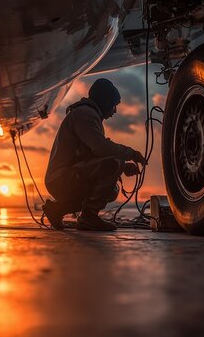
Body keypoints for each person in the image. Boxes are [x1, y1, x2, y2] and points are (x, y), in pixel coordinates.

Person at [43, 78, 146, 231]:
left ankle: (58, 209)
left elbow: (90, 155)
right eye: (113, 105)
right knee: (114, 163)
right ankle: (89, 217)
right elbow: (100, 148)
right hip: (61, 179)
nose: (115, 111)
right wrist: (129, 154)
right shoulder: (85, 114)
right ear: (104, 101)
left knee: (111, 191)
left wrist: (123, 166)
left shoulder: (88, 115)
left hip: (64, 177)